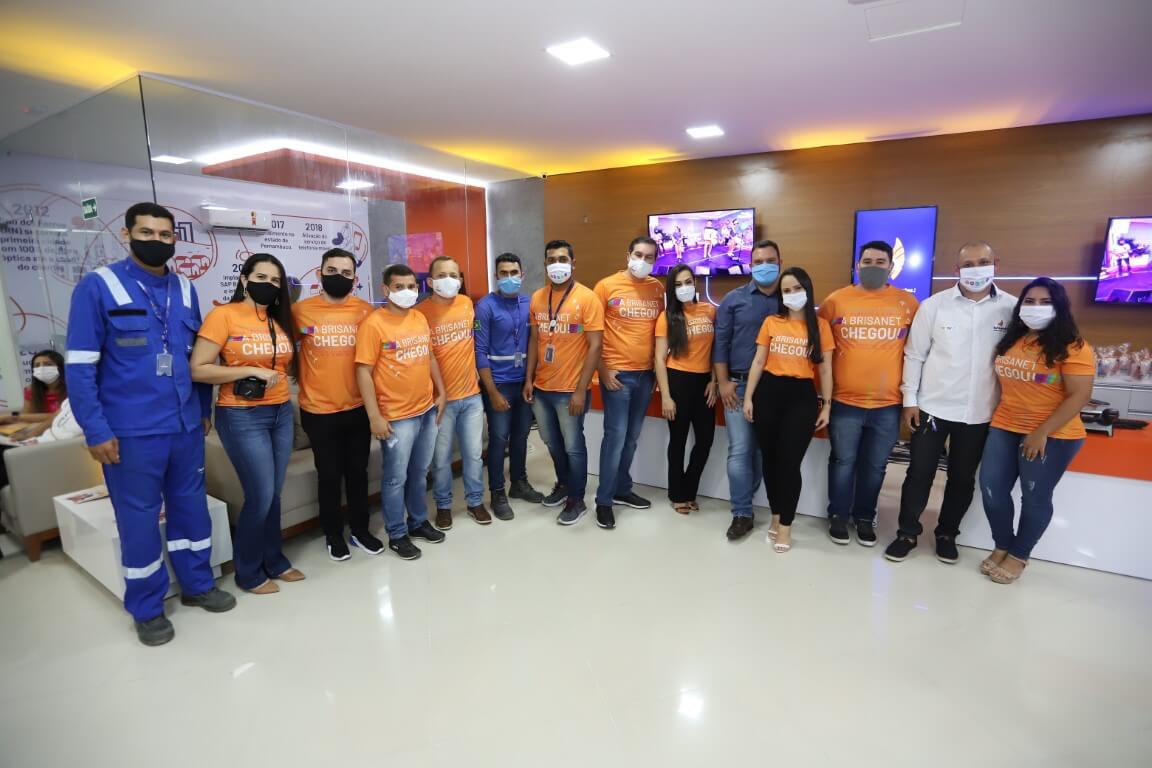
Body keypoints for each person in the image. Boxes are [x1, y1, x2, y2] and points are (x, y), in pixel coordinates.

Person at [66, 202, 234, 646]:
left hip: (185, 425)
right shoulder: (98, 286)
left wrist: (203, 408)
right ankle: (147, 607)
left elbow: (197, 358)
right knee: (138, 520)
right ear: (127, 235)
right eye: (146, 233)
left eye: (165, 235)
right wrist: (96, 430)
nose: (156, 241)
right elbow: (80, 368)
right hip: (131, 431)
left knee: (191, 508)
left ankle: (198, 585)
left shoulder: (185, 288)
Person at [885, 242, 1016, 564]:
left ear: (996, 264)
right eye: (968, 264)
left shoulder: (1012, 309)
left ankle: (946, 534)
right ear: (956, 270)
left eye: (983, 261)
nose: (976, 269)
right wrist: (910, 401)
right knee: (919, 473)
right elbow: (914, 355)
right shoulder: (934, 306)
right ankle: (907, 533)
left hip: (980, 412)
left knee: (962, 478)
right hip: (932, 408)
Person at [193, 253, 304, 594]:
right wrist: (249, 370)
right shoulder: (223, 316)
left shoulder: (279, 320)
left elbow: (285, 366)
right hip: (241, 414)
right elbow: (198, 368)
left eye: (275, 281)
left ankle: (275, 561)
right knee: (260, 494)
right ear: (244, 280)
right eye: (261, 278)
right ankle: (249, 571)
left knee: (273, 494)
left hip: (280, 412)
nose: (268, 285)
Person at [979, 278, 1094, 584]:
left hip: (1052, 434)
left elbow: (1080, 395)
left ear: (1059, 307)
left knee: (1034, 497)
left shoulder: (1074, 347)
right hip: (1005, 425)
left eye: (1045, 302)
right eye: (1029, 301)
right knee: (991, 489)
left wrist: (1042, 431)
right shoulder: (1013, 340)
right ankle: (1003, 544)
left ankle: (1019, 555)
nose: (1036, 308)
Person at [818, 241, 919, 546]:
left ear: (891, 266)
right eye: (867, 261)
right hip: (844, 402)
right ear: (857, 265)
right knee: (843, 462)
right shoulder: (836, 301)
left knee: (875, 467)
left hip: (888, 406)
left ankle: (864, 517)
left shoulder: (908, 303)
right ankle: (838, 515)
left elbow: (917, 353)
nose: (873, 266)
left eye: (880, 262)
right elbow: (821, 350)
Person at [355, 264, 448, 560]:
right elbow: (363, 371)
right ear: (385, 290)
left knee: (419, 472)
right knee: (396, 478)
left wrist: (441, 392)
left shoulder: (419, 317)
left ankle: (418, 522)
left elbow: (429, 356)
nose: (407, 292)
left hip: (426, 409)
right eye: (399, 287)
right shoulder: (373, 324)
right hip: (396, 417)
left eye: (411, 287)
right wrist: (374, 416)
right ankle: (397, 533)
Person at [292, 247, 377, 561]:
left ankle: (360, 530)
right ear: (319, 273)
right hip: (318, 410)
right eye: (331, 271)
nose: (338, 277)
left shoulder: (366, 312)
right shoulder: (300, 311)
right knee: (328, 475)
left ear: (354, 278)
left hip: (357, 407)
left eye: (345, 273)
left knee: (357, 472)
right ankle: (333, 533)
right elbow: (284, 352)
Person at [743, 267, 834, 553]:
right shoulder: (772, 322)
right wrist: (748, 397)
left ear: (807, 289)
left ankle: (786, 525)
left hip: (801, 398)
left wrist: (827, 404)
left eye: (797, 288)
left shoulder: (821, 327)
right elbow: (759, 362)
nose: (792, 294)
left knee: (789, 463)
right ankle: (775, 512)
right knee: (770, 460)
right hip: (768, 393)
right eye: (786, 290)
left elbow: (825, 369)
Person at [523, 240, 604, 526]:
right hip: (542, 388)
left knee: (573, 446)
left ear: (573, 263)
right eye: (551, 259)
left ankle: (577, 499)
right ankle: (564, 484)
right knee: (551, 442)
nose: (556, 264)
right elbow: (535, 340)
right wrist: (529, 379)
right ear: (545, 264)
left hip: (571, 390)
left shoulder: (587, 298)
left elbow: (595, 346)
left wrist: (581, 390)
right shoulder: (537, 297)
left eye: (562, 259)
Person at [713, 240, 782, 540]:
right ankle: (742, 513)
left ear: (780, 263)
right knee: (740, 449)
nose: (764, 266)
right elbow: (720, 344)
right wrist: (723, 382)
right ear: (750, 265)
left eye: (770, 260)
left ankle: (756, 500)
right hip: (738, 386)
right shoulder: (733, 300)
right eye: (758, 261)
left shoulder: (790, 299)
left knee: (764, 451)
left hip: (776, 387)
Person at [592, 236, 664, 528]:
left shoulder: (657, 289)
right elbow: (592, 333)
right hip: (617, 375)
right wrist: (603, 369)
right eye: (638, 254)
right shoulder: (606, 286)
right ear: (628, 254)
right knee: (615, 437)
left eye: (649, 257)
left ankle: (622, 489)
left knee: (631, 437)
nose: (642, 261)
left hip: (646, 376)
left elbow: (661, 332)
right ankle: (604, 500)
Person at [416, 256, 488, 529]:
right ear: (430, 281)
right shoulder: (420, 313)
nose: (449, 280)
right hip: (440, 401)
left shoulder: (467, 304)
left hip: (471, 396)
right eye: (442, 275)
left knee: (473, 455)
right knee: (441, 460)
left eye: (454, 275)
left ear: (460, 279)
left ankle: (475, 501)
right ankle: (443, 506)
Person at [475, 252, 544, 520]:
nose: (509, 278)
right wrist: (492, 391)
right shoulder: (485, 306)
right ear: (496, 276)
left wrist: (529, 380)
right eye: (503, 273)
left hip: (523, 382)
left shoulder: (528, 303)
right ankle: (497, 492)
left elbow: (534, 343)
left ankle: (519, 483)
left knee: (521, 436)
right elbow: (480, 351)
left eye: (513, 273)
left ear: (522, 275)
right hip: (499, 384)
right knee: (498, 438)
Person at [653, 265, 717, 514]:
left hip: (704, 383)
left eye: (688, 282)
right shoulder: (667, 317)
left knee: (705, 440)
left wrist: (714, 380)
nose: (684, 288)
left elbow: (716, 350)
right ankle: (677, 494)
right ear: (672, 288)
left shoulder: (709, 310)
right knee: (678, 441)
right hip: (678, 381)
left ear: (695, 282)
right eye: (678, 284)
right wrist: (666, 397)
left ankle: (689, 489)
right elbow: (660, 359)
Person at [0, 350, 68, 444]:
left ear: (60, 367)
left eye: (48, 364)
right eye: (37, 365)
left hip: (62, 432)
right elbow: (25, 416)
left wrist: (11, 416)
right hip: (38, 431)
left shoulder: (73, 389)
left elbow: (61, 415)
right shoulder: (31, 390)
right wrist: (10, 418)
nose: (42, 368)